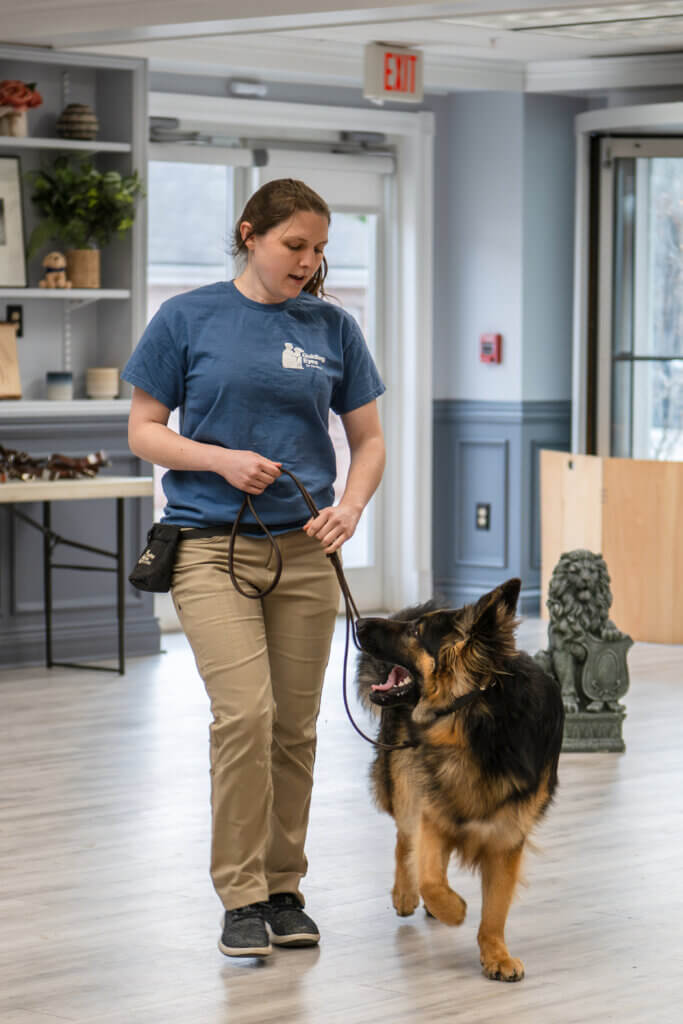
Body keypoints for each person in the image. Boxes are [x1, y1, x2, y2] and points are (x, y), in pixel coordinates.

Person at [122, 178, 386, 958]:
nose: (307, 262)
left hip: (305, 549)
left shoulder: (333, 328)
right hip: (209, 545)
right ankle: (239, 898)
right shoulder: (187, 317)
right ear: (250, 235)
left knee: (294, 729)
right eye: (292, 245)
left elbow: (367, 441)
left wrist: (353, 508)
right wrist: (219, 460)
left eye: (318, 250)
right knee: (244, 715)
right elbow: (142, 429)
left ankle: (282, 889)